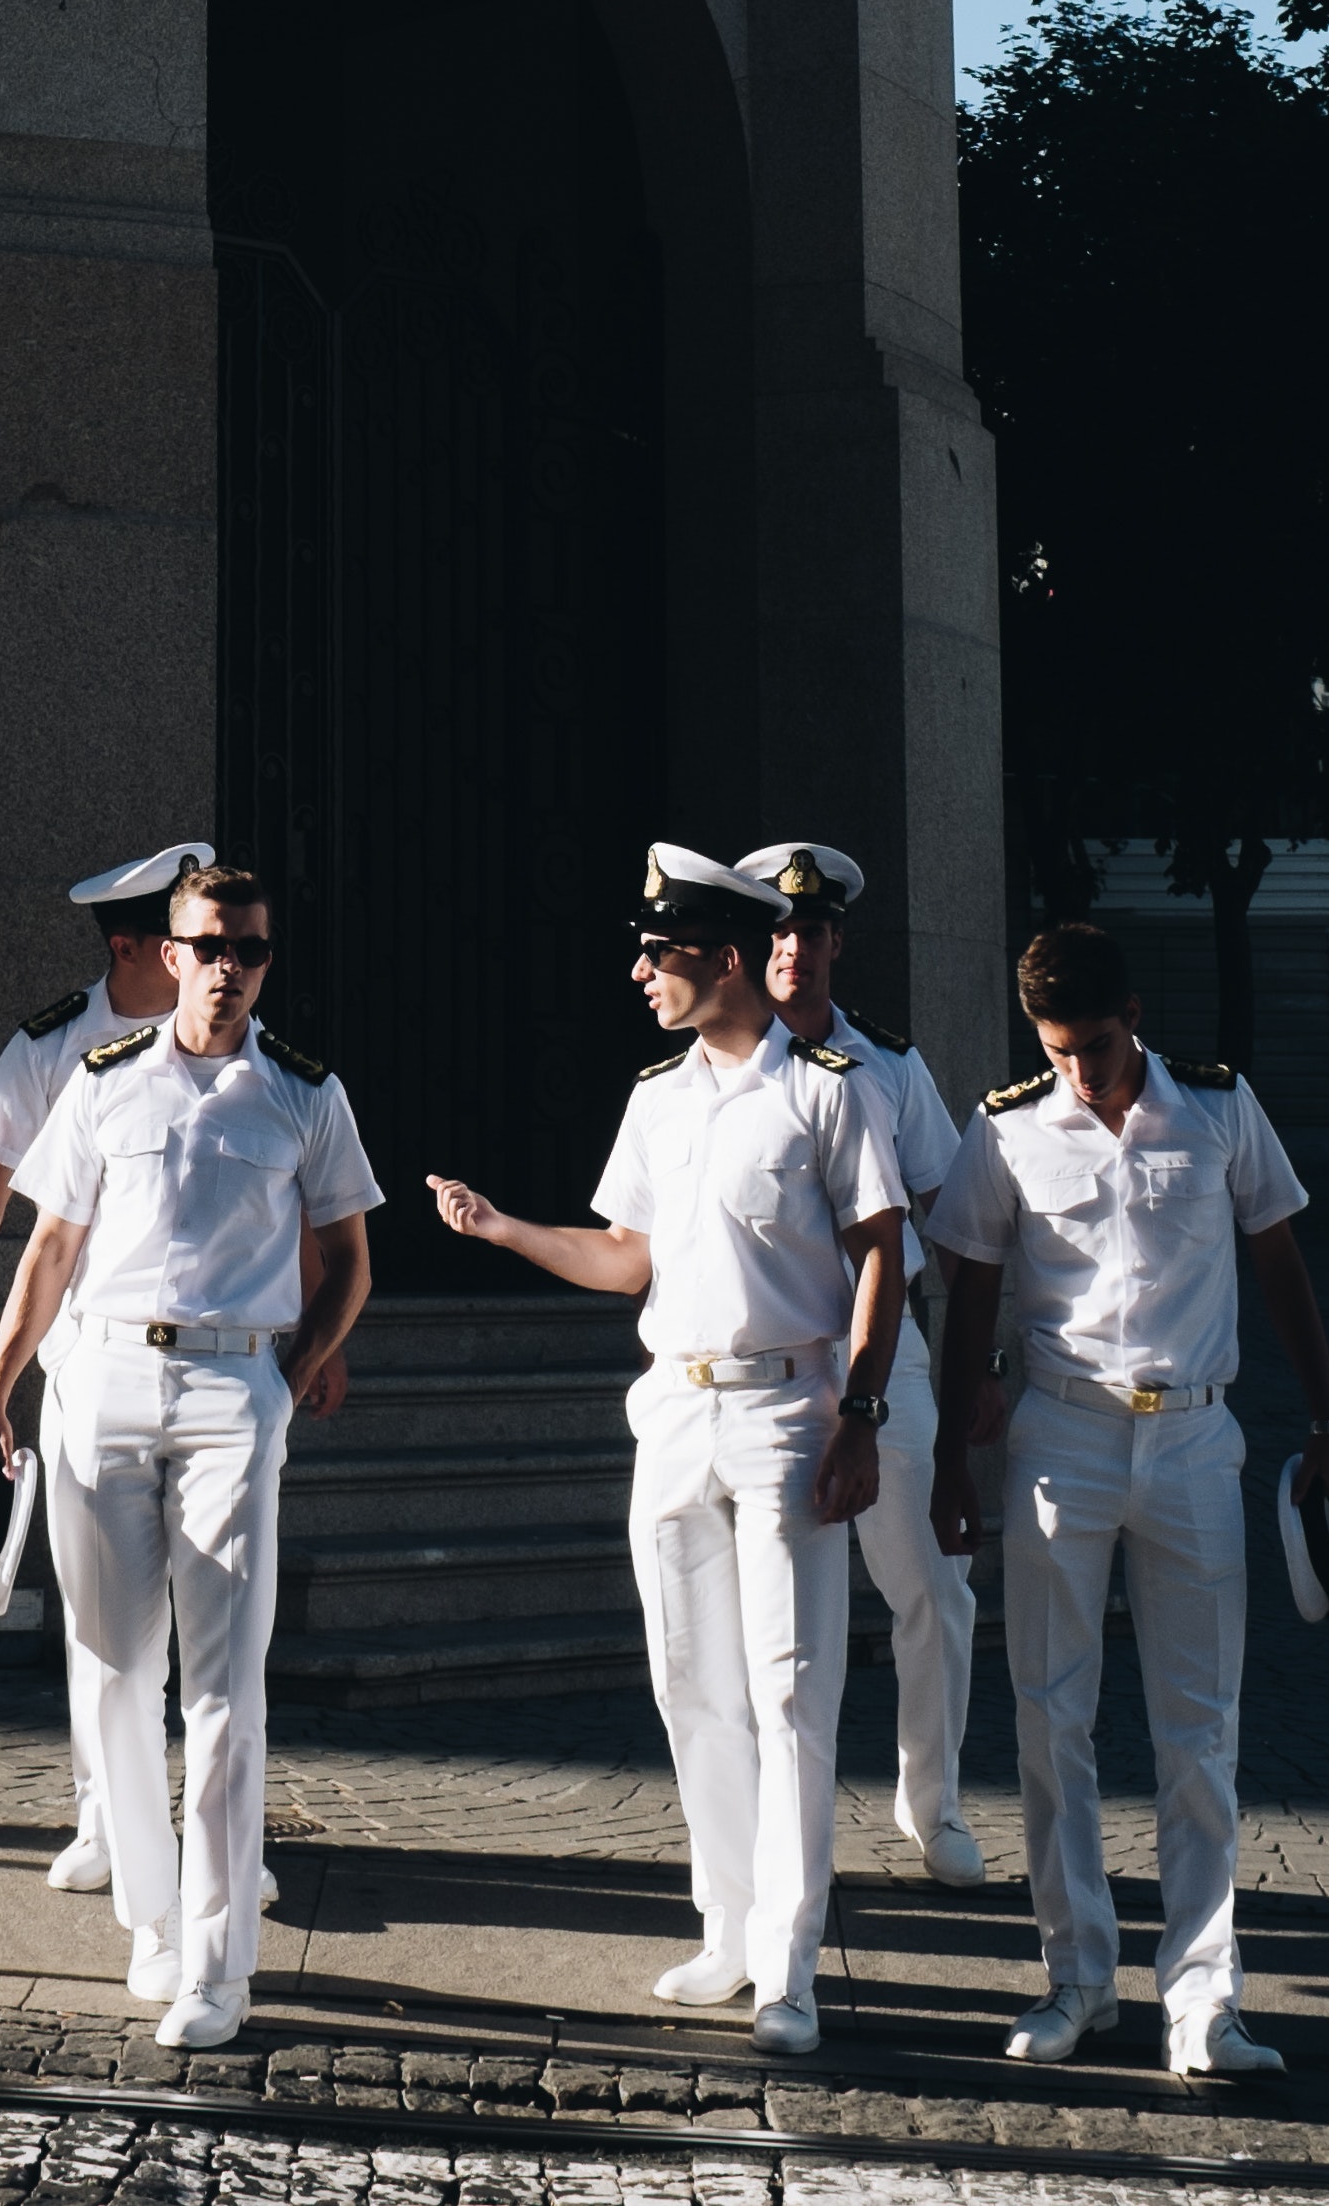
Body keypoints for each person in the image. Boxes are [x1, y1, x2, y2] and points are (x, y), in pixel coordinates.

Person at [428, 844, 906, 2060]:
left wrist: (862, 1414)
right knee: (690, 1680)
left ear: (723, 957)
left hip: (790, 1408)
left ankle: (793, 1962)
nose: (640, 970)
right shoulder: (658, 1097)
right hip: (676, 1410)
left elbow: (881, 1262)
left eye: (659, 951)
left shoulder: (831, 1090)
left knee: (793, 1689)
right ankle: (729, 1928)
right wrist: (504, 1231)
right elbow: (624, 1256)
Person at [927, 919, 1329, 2083]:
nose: (1082, 1069)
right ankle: (1077, 1979)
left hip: (1193, 1438)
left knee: (1198, 1730)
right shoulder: (1006, 1126)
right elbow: (967, 1282)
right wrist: (949, 1460)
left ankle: (1202, 2003)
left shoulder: (1217, 1108)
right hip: (1059, 1432)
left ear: (1135, 1018)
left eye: (1099, 1044)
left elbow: (1279, 1259)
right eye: (1059, 1049)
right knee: (1049, 1717)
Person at [0, 865, 377, 2053]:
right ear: (173, 952)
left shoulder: (303, 1092)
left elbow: (349, 1255)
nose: (231, 969)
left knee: (224, 1688)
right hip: (96, 1379)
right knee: (108, 1670)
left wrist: (295, 1370)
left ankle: (217, 1960)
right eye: (210, 947)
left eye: (250, 949)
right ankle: (149, 1919)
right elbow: (48, 1248)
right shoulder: (98, 1084)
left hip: (231, 1391)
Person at [0, 840, 205, 1895]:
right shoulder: (53, 1044)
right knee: (101, 1607)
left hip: (209, 1359)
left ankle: (196, 1836)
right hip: (85, 1351)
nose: (193, 955)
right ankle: (103, 1820)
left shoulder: (225, 1038)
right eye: (170, 938)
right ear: (132, 944)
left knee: (199, 1609)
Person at [738, 839, 993, 1888]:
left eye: (809, 929)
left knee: (936, 1588)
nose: (792, 947)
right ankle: (769, 1834)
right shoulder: (721, 1065)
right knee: (762, 1617)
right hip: (768, 1369)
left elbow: (956, 1214)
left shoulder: (889, 1067)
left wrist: (986, 1362)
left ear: (837, 940)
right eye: (776, 931)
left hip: (892, 1361)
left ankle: (930, 1805)